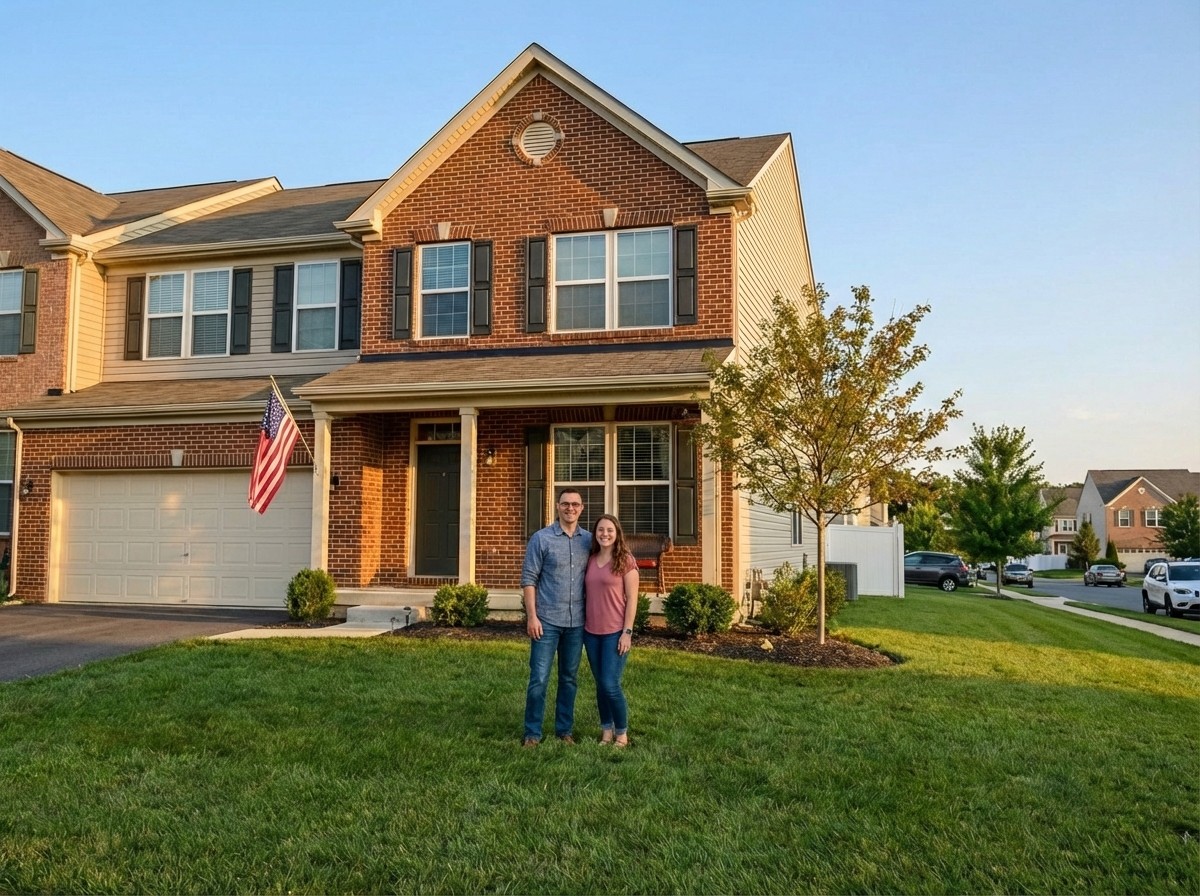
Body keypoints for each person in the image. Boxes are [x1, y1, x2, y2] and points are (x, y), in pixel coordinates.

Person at [520, 488, 592, 747]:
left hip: (577, 623)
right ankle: (532, 733)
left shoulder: (590, 541)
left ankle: (565, 730)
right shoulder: (541, 539)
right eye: (565, 504)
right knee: (539, 677)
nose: (570, 508)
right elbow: (529, 579)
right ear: (557, 507)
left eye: (575, 504)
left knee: (569, 678)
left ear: (582, 508)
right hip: (546, 620)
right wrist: (532, 617)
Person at [583, 513, 639, 747]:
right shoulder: (591, 558)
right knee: (600, 684)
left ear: (617, 534)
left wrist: (627, 632)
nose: (604, 534)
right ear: (595, 534)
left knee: (610, 684)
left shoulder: (625, 560)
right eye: (600, 530)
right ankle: (606, 730)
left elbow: (632, 600)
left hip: (615, 632)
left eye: (609, 530)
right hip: (590, 632)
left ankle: (622, 733)